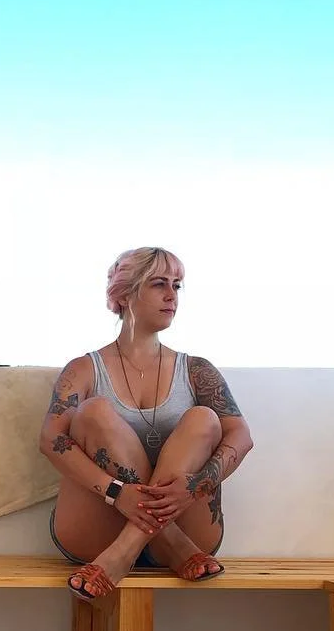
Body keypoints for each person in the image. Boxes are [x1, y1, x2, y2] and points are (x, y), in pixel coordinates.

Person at [38, 247, 254, 601]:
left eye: (177, 285)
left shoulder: (197, 369)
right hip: (99, 529)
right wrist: (116, 492)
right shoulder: (83, 368)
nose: (172, 296)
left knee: (205, 419)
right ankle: (164, 544)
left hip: (185, 520)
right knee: (94, 413)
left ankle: (124, 553)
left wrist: (195, 486)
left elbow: (241, 436)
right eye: (158, 284)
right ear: (124, 293)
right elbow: (50, 440)